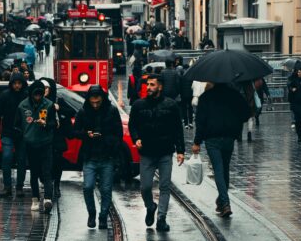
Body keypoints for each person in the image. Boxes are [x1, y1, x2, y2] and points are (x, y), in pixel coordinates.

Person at [129, 74, 185, 232]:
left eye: (152, 85)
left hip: (165, 151)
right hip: (147, 152)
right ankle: (150, 206)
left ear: (160, 87)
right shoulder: (139, 105)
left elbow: (177, 129)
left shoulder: (171, 105)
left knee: (165, 186)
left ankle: (161, 218)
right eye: (148, 84)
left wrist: (180, 150)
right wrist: (136, 138)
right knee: (145, 187)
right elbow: (133, 125)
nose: (148, 87)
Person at [192, 82, 252, 219]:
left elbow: (200, 121)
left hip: (212, 138)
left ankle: (225, 203)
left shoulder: (206, 97)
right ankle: (221, 200)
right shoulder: (234, 95)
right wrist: (235, 121)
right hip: (229, 137)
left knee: (218, 170)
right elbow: (246, 113)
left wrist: (197, 141)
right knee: (224, 169)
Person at [73, 84, 123, 230]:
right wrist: (86, 134)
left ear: (102, 99)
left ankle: (103, 216)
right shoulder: (83, 112)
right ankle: (92, 213)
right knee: (88, 187)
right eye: (92, 102)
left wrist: (108, 140)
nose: (95, 105)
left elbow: (118, 133)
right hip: (89, 156)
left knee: (106, 189)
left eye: (98, 102)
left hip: (107, 156)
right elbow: (74, 131)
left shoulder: (112, 111)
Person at [16, 79, 56, 214]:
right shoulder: (23, 106)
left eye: (40, 94)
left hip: (45, 143)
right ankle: (35, 199)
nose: (38, 97)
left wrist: (45, 124)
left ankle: (48, 199)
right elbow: (17, 124)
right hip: (30, 144)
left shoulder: (49, 105)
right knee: (33, 172)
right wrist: (23, 135)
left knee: (46, 171)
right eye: (36, 95)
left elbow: (54, 124)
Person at [0, 71, 29, 197]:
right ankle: (7, 187)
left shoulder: (26, 95)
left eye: (19, 83)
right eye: (15, 83)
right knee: (7, 157)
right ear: (12, 84)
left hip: (22, 133)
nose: (17, 86)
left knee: (21, 159)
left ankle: (19, 186)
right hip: (7, 132)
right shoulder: (5, 95)